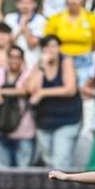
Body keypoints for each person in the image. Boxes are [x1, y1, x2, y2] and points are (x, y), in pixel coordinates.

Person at [26, 34, 81, 170]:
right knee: (48, 163)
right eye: (48, 46)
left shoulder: (66, 61)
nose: (51, 50)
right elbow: (31, 89)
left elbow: (70, 89)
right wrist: (42, 66)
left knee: (60, 162)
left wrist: (44, 92)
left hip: (67, 120)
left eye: (55, 46)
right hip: (44, 122)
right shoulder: (39, 65)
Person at [44, 0, 95, 87]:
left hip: (85, 60)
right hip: (61, 60)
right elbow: (47, 42)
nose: (73, 1)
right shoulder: (56, 19)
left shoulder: (91, 18)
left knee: (83, 89)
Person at [0, 45, 35, 167]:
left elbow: (25, 90)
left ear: (22, 60)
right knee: (1, 171)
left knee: (23, 172)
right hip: (0, 129)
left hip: (24, 131)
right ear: (7, 58)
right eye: (11, 57)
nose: (14, 60)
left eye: (18, 57)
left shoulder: (28, 74)